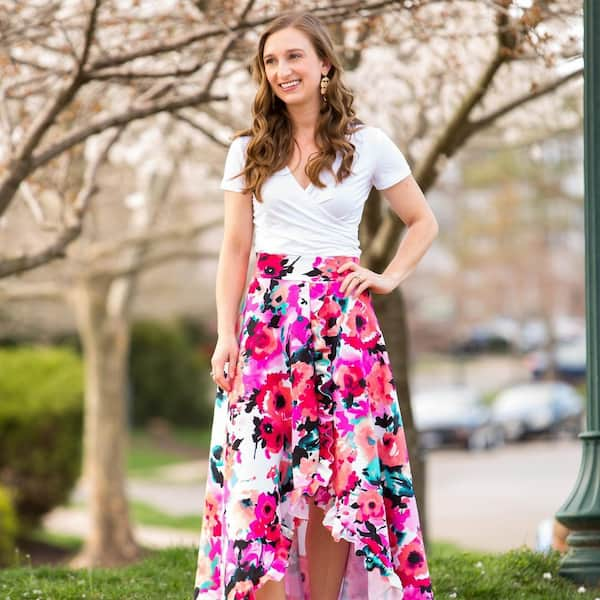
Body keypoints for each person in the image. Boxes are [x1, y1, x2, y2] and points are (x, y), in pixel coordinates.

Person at [193, 10, 438, 600]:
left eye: (294, 57)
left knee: (337, 479)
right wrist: (226, 334)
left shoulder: (367, 144)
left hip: (343, 328)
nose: (283, 71)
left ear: (324, 64)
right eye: (271, 61)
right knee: (258, 475)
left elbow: (422, 221)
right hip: (267, 325)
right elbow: (235, 247)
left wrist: (387, 276)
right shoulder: (248, 149)